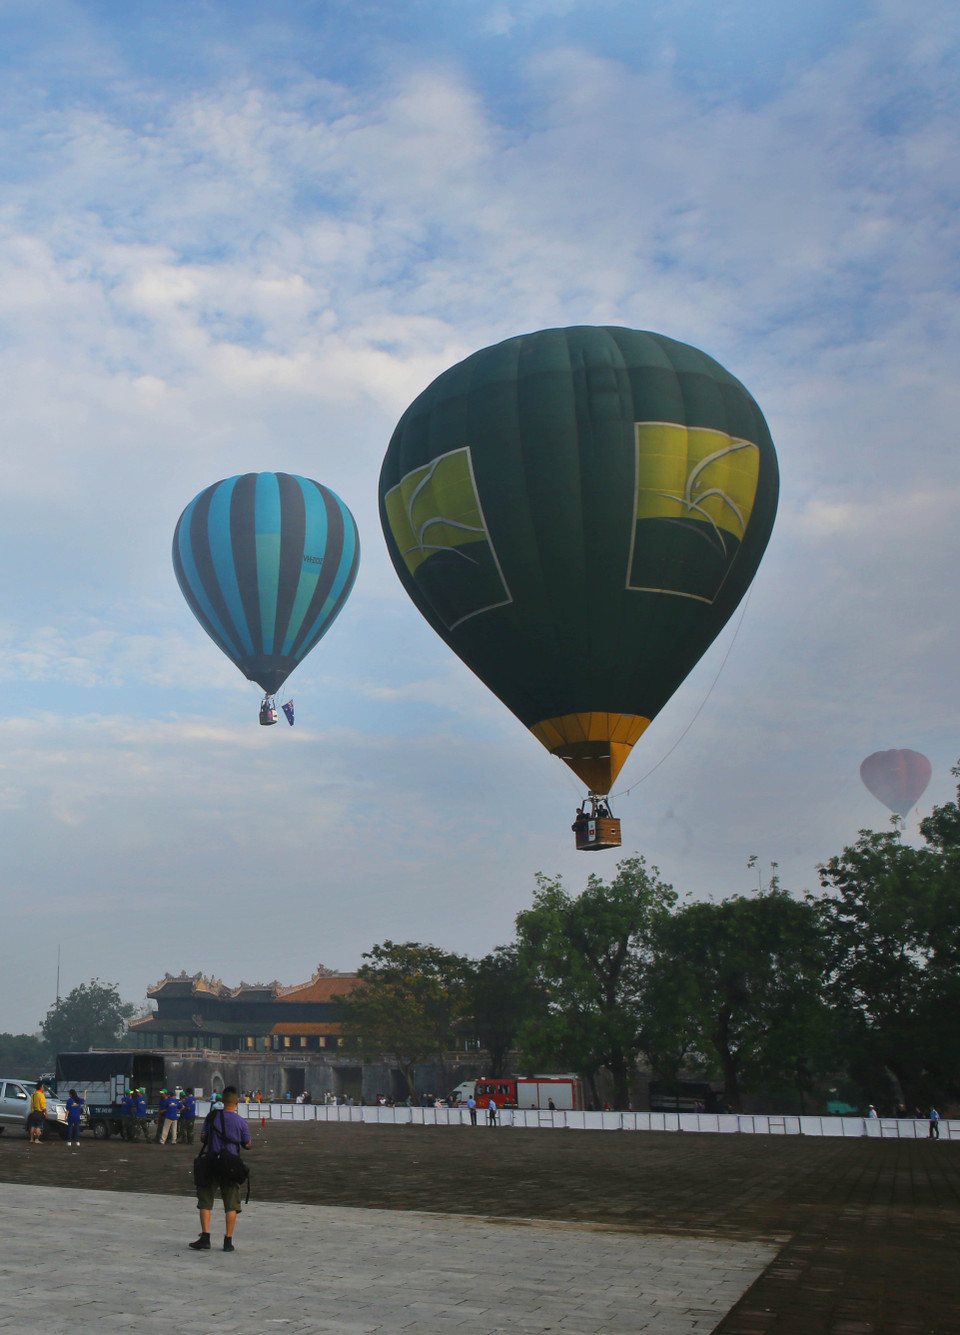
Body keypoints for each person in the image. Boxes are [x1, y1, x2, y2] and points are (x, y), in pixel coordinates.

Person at [189, 1085, 251, 1253]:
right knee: (231, 1204)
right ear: (237, 1102)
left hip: (212, 1162)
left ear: (222, 1101)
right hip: (230, 1166)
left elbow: (203, 1138)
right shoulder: (241, 1121)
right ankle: (228, 1241)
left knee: (205, 1201)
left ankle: (205, 1237)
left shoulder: (212, 1117)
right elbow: (247, 1144)